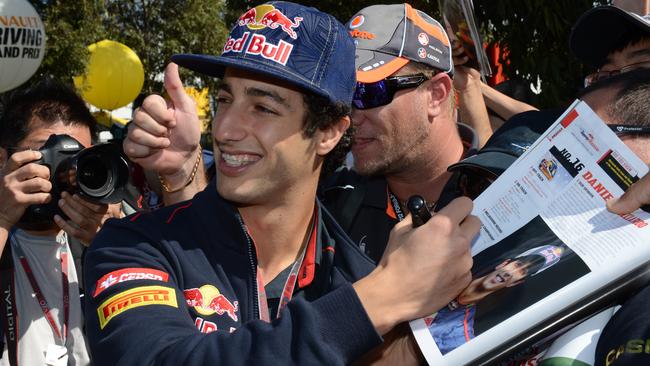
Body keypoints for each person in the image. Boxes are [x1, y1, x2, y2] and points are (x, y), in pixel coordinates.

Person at [83, 3, 478, 365]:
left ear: (327, 132)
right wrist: (377, 302)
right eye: (225, 100)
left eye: (262, 107)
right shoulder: (132, 246)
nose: (223, 128)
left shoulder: (354, 274)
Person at [0, 79, 122, 365]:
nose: (65, 173)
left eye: (78, 158)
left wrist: (111, 245)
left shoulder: (107, 232)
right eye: (49, 155)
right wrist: (3, 217)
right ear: (3, 158)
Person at [426, 245, 563, 355]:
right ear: (503, 264)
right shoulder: (444, 274)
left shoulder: (459, 337)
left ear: (514, 283)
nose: (511, 273)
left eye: (522, 272)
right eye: (517, 265)